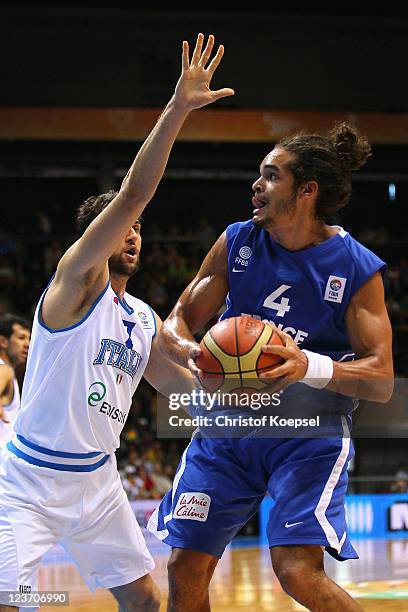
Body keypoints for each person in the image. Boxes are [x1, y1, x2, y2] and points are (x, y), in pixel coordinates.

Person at [0, 34, 234, 611]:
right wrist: (177, 109)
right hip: (28, 482)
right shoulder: (73, 285)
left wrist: (235, 386)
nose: (133, 234)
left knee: (146, 603)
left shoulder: (141, 318)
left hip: (98, 484)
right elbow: (132, 196)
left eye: (137, 231)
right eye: (122, 227)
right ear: (96, 238)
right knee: (17, 600)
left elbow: (175, 385)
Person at [147, 124, 394, 611]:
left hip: (307, 434)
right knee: (184, 566)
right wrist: (193, 352)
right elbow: (175, 323)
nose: (256, 186)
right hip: (228, 428)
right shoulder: (237, 242)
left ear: (307, 191)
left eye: (270, 176)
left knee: (296, 571)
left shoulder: (355, 266)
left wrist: (309, 365)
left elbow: (382, 379)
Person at [0, 314, 30, 447]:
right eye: (21, 338)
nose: (27, 344)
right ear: (3, 342)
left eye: (29, 339)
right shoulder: (5, 370)